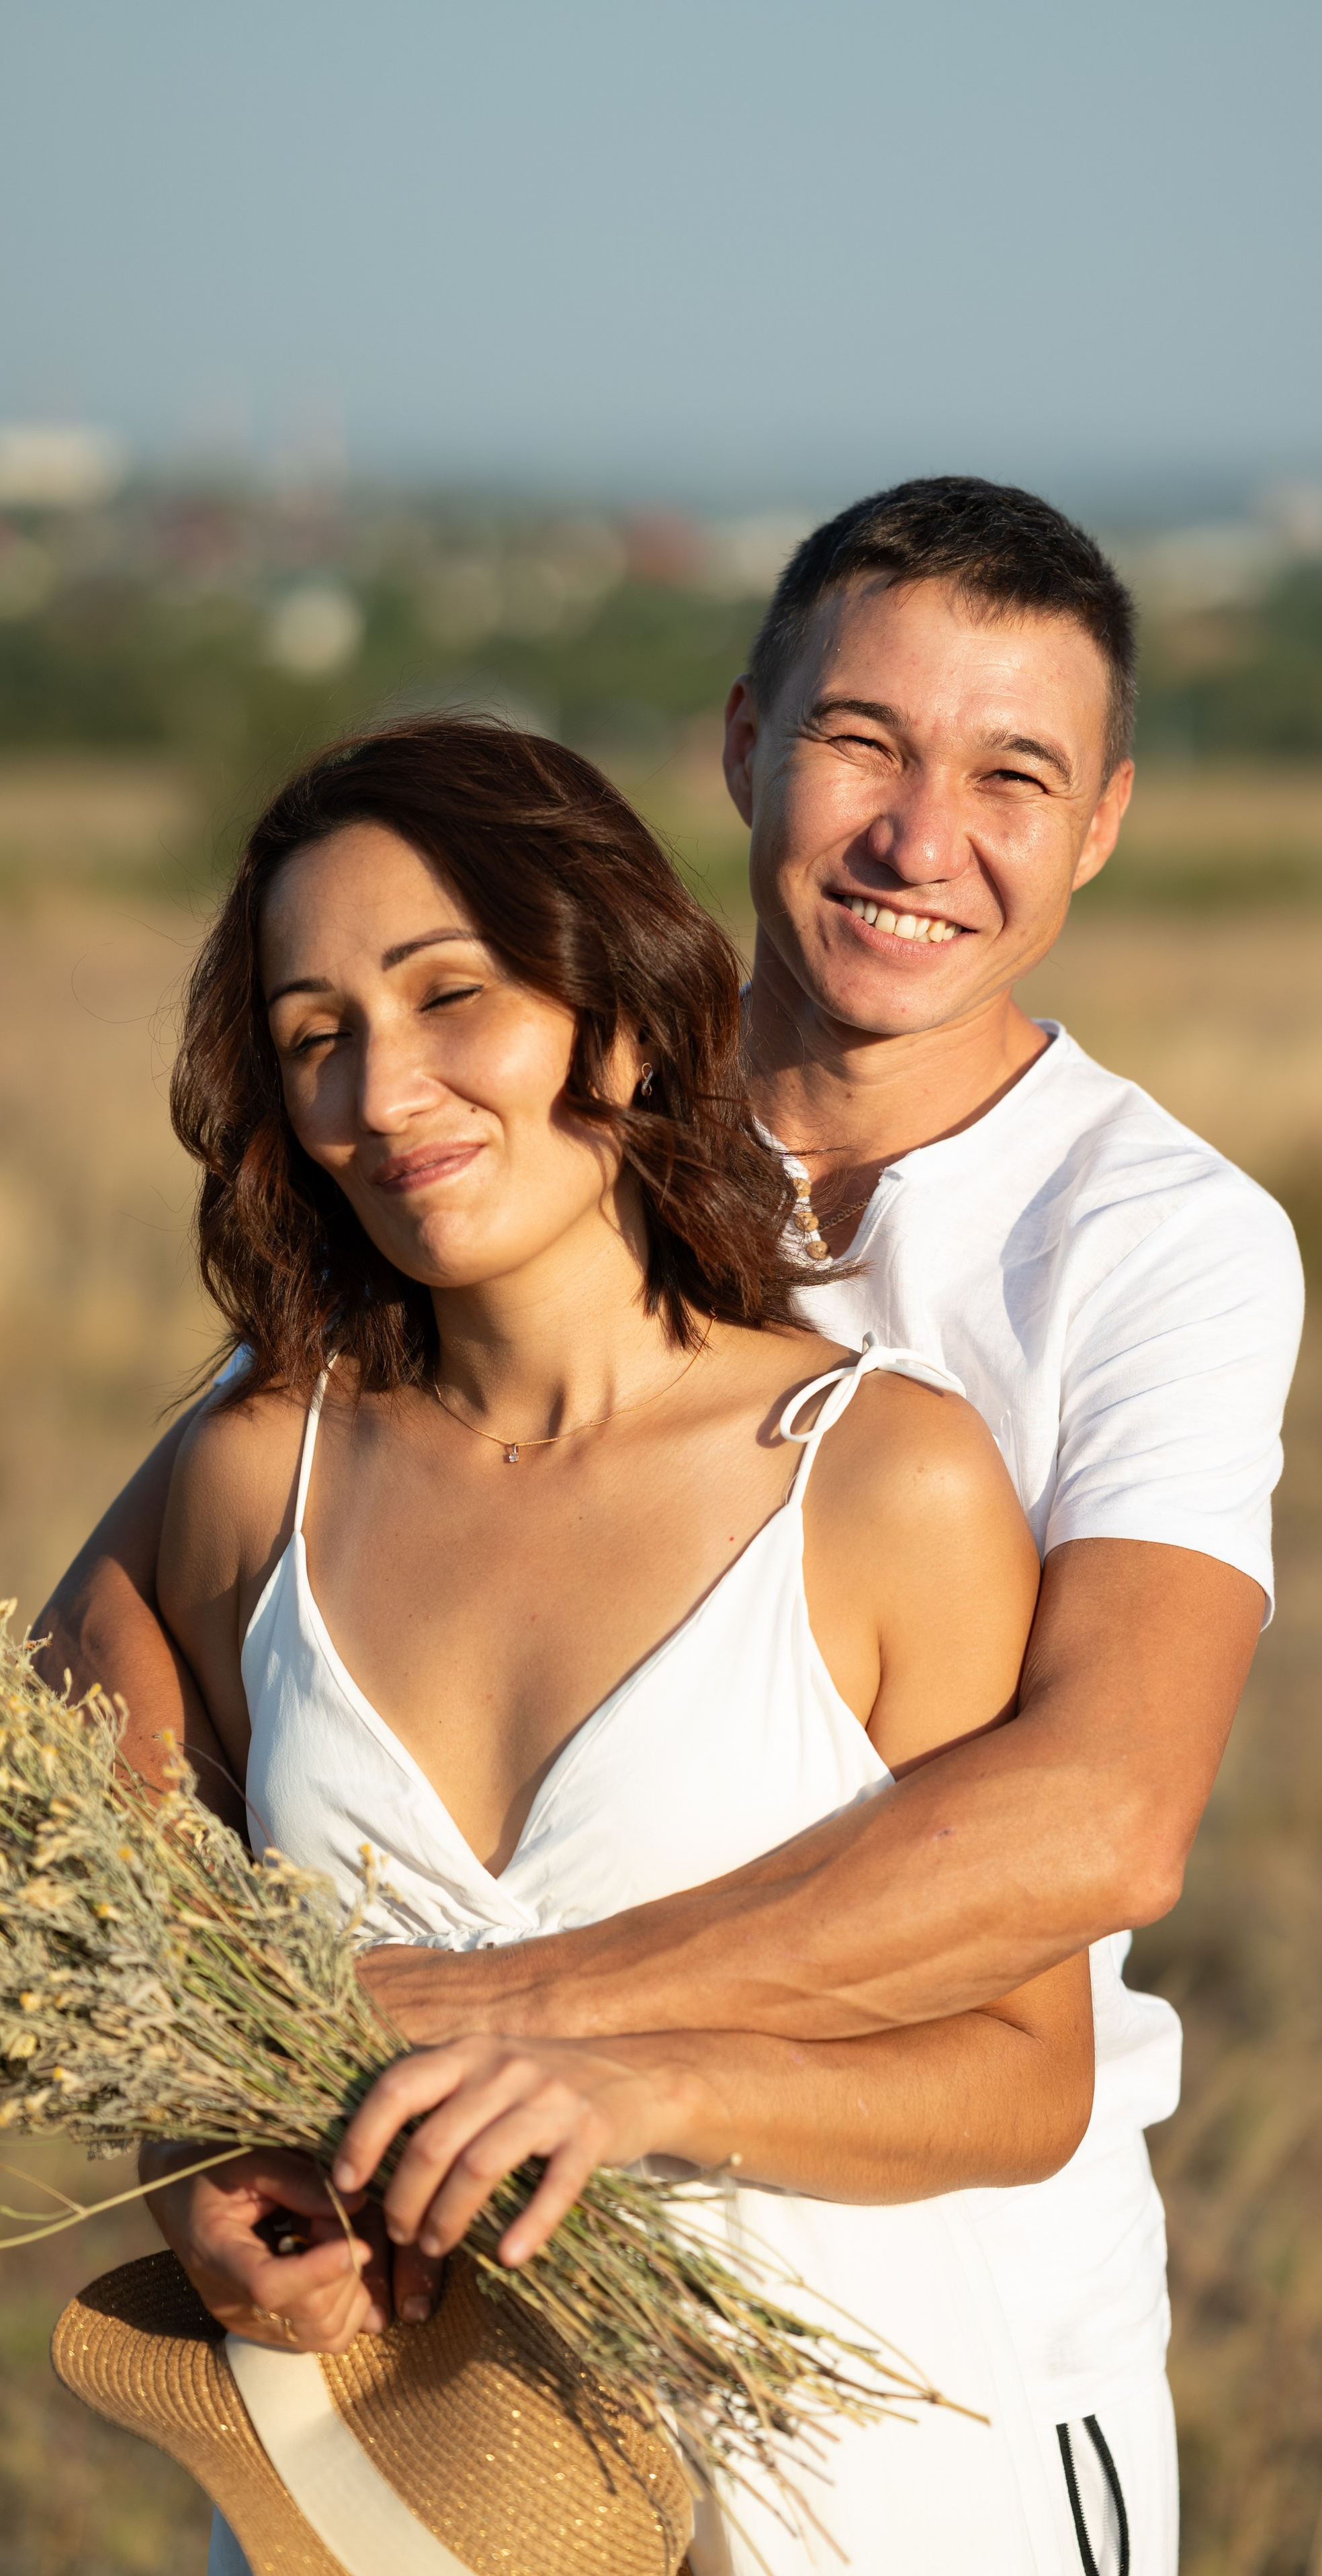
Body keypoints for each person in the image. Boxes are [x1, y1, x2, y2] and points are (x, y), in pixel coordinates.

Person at [40, 477, 1305, 2570]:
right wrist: (203, 2104)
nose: (922, 837)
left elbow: (1101, 1822)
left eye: (1013, 775)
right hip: (455, 2428)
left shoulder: (1154, 1239)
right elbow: (119, 1625)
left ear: (1101, 824)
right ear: (742, 742)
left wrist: (512, 2014)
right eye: (863, 742)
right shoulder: (524, 1107)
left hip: (926, 2323)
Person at [143, 718, 1103, 2574]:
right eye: (316, 1034)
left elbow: (1027, 2068)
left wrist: (651, 2083)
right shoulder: (258, 1475)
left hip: (829, 2486)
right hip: (392, 2494)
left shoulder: (880, 1477)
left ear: (624, 1023)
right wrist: (193, 2178)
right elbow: (177, 1964)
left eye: (452, 996)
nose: (385, 1089)